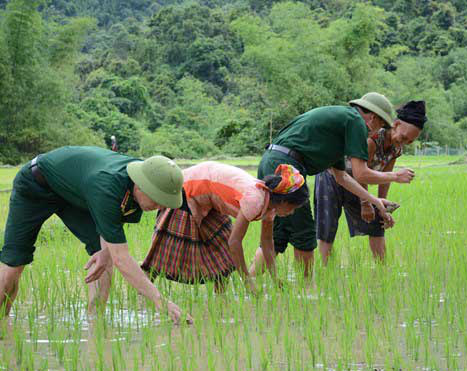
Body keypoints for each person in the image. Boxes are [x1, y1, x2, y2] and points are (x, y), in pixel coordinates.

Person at [0, 146, 190, 324]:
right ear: (140, 187)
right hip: (36, 184)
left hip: (77, 193)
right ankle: (3, 322)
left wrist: (106, 252)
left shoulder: (151, 175)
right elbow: (122, 259)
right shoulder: (107, 186)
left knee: (103, 256)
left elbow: (115, 222)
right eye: (157, 200)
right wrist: (161, 302)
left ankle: (95, 323)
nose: (160, 207)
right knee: (14, 264)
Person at [250, 92, 417, 278]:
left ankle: (249, 282)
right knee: (304, 234)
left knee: (279, 236)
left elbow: (342, 177)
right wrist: (395, 176)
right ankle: (307, 291)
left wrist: (375, 201)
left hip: (272, 161)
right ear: (372, 117)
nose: (378, 131)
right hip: (288, 166)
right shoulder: (355, 122)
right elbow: (361, 172)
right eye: (380, 125)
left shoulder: (340, 128)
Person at [140, 161, 309, 293]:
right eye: (293, 208)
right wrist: (247, 281)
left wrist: (275, 278)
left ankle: (221, 300)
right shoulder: (255, 199)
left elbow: (267, 243)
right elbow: (235, 242)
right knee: (165, 252)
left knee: (223, 255)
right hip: (189, 191)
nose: (291, 213)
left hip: (212, 201)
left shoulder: (269, 207)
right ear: (284, 201)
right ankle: (142, 294)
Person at [315, 100, 427, 263]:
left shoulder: (396, 148)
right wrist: (366, 203)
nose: (404, 143)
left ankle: (382, 269)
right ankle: (326, 269)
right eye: (403, 137)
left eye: (409, 141)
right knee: (328, 225)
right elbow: (361, 173)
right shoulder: (373, 139)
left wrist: (383, 209)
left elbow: (385, 177)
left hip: (357, 182)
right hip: (333, 175)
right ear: (395, 125)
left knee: (377, 222)